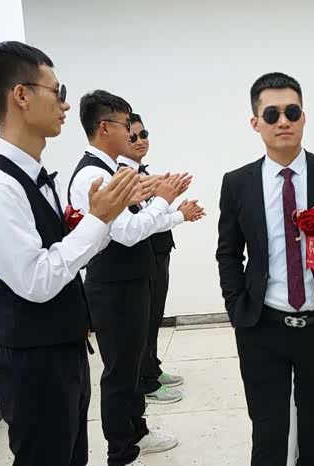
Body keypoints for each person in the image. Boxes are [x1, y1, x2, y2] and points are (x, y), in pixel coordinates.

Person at [0, 41, 140, 466]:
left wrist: (97, 220)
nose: (65, 104)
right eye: (57, 92)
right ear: (21, 95)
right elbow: (36, 280)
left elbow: (62, 253)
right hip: (33, 364)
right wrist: (99, 220)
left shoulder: (34, 176)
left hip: (63, 352)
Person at [215, 72, 314, 466]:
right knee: (268, 434)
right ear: (256, 122)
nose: (283, 121)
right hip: (262, 326)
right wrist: (237, 310)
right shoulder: (237, 183)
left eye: (292, 112)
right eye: (272, 114)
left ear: (303, 117)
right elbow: (228, 253)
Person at [68, 90, 192, 466]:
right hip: (113, 286)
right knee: (120, 372)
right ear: (105, 128)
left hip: (130, 281)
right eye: (127, 126)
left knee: (133, 365)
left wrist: (156, 193)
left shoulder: (112, 170)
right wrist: (163, 199)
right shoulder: (92, 174)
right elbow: (127, 232)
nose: (132, 133)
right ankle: (121, 453)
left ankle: (137, 431)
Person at [118, 112, 204, 404]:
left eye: (143, 134)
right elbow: (141, 223)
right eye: (132, 136)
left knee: (154, 317)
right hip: (143, 257)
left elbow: (152, 213)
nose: (140, 141)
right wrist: (179, 214)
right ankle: (147, 381)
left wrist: (176, 207)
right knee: (144, 322)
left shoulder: (141, 173)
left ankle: (152, 368)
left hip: (158, 253)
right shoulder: (123, 176)